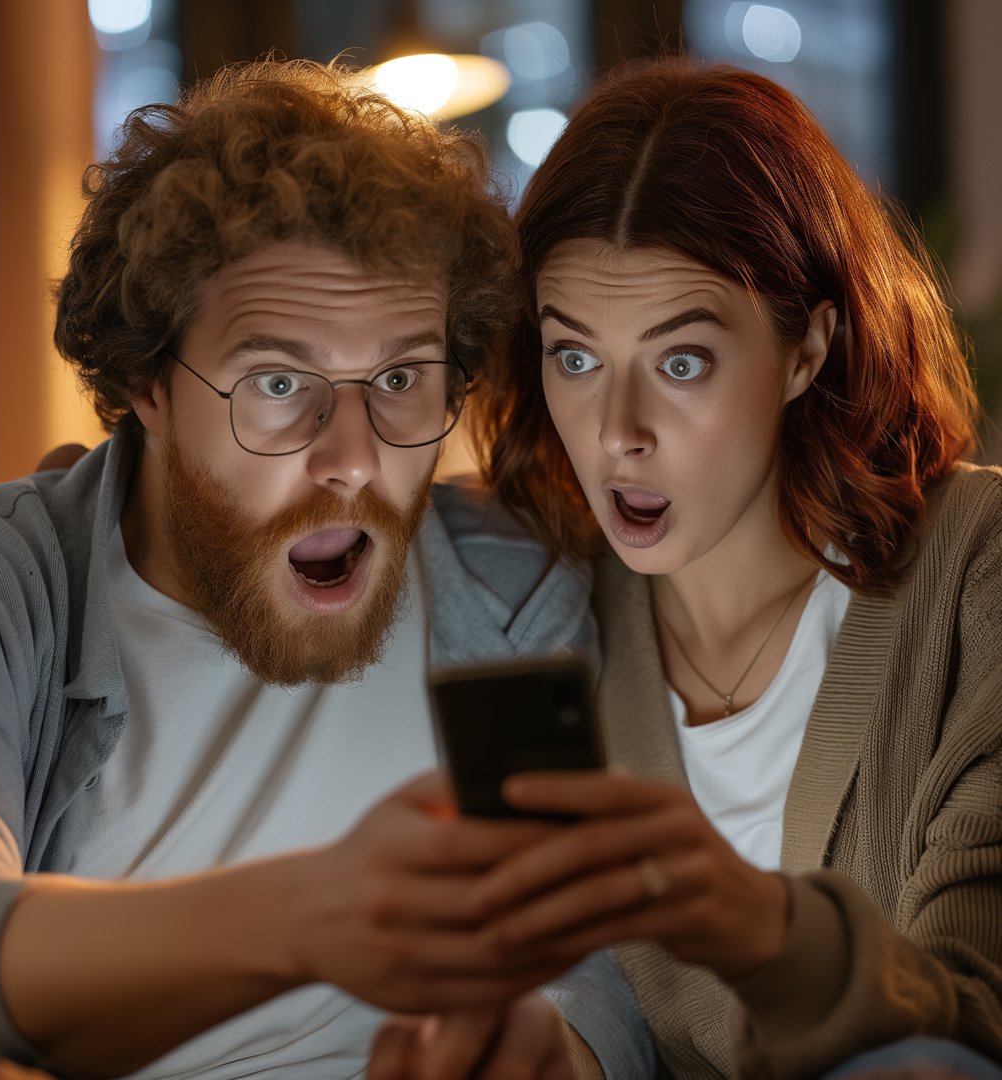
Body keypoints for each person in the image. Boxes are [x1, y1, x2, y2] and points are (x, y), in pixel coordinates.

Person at [0, 58, 597, 1079]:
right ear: (149, 384)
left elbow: (619, 970)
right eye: (279, 383)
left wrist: (564, 1052)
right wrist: (314, 915)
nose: (355, 456)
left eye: (402, 378)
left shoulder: (523, 588)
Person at [443, 57, 1002, 1078]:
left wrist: (757, 924)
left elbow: (970, 1028)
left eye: (682, 360)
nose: (619, 433)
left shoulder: (977, 574)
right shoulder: (525, 595)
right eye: (576, 357)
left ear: (808, 348)